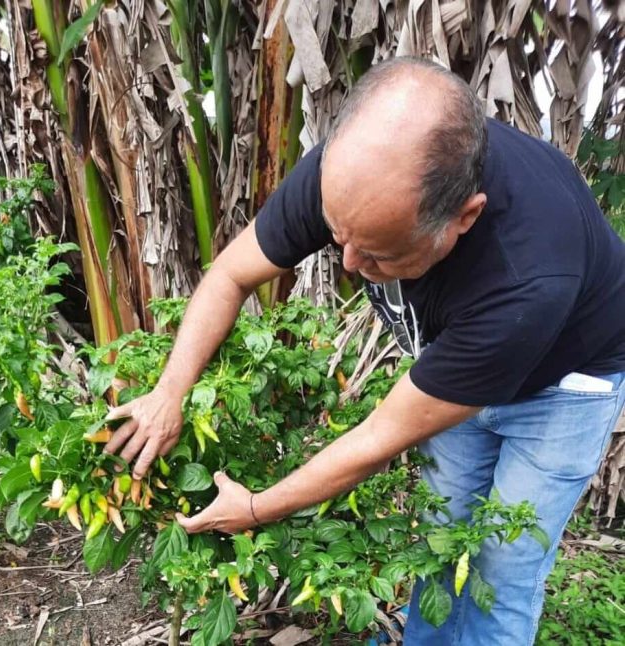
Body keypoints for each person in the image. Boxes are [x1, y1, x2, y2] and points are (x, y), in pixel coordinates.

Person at [103, 57, 625, 645]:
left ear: (464, 217)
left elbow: (380, 437)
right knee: (441, 533)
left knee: (503, 567)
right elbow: (230, 275)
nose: (350, 265)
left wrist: (256, 509)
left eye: (379, 253)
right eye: (338, 236)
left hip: (565, 386)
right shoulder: (352, 176)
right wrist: (169, 391)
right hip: (464, 359)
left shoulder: (525, 278)